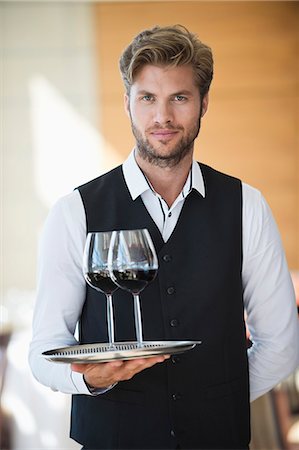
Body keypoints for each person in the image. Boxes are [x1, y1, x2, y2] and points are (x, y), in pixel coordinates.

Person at [29, 25, 299, 450]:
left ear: (204, 103)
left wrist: (214, 402)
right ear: (128, 103)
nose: (163, 118)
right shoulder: (74, 212)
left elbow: (281, 344)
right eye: (147, 98)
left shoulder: (247, 206)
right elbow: (44, 350)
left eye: (180, 97)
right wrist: (89, 381)